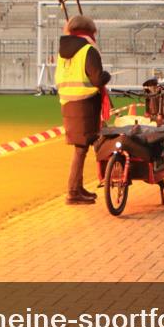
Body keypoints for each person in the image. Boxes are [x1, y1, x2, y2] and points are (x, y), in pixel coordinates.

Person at [56, 15, 111, 205]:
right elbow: (97, 79)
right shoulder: (88, 50)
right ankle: (73, 191)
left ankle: (77, 188)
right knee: (81, 149)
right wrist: (106, 76)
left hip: (68, 102)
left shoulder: (63, 53)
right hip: (86, 103)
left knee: (81, 147)